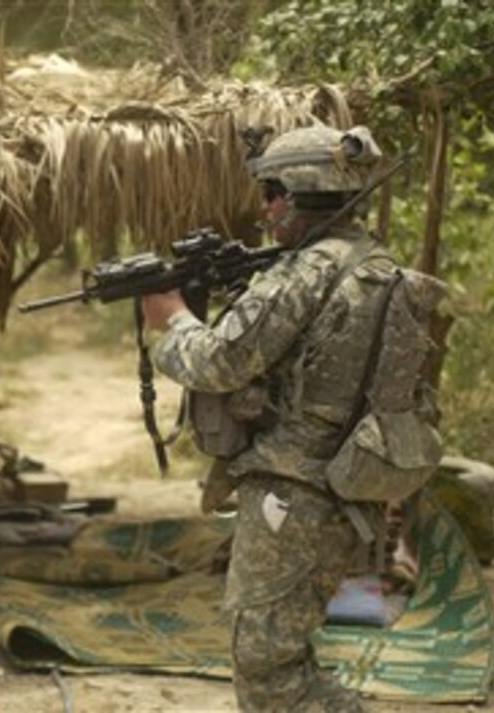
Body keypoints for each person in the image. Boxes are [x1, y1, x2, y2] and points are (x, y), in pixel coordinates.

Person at [141, 124, 398, 713]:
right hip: (344, 475)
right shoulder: (372, 261)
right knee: (280, 654)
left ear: (300, 192)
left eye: (273, 192)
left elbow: (220, 362)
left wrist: (173, 318)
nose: (265, 207)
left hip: (295, 485)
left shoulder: (304, 273)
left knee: (266, 665)